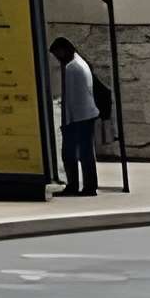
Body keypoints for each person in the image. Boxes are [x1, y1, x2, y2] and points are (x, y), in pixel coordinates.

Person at [51, 38, 101, 196]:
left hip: (78, 118)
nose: (57, 57)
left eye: (57, 53)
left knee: (69, 153)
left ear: (63, 50)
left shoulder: (72, 68)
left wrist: (66, 122)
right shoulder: (80, 62)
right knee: (87, 154)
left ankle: (74, 185)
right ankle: (89, 186)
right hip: (87, 115)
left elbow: (71, 99)